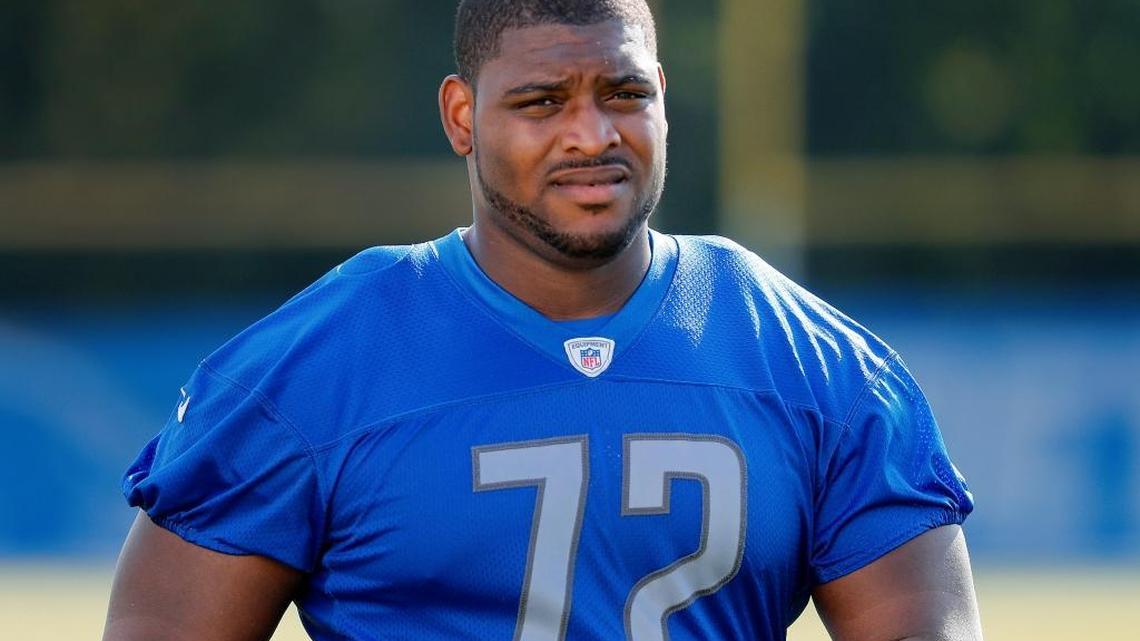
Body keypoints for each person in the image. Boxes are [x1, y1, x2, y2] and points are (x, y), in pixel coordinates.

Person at [103, 1, 983, 640]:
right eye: (541, 102)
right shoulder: (315, 365)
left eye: (623, 92)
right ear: (462, 116)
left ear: (663, 98)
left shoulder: (814, 364)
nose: (590, 133)